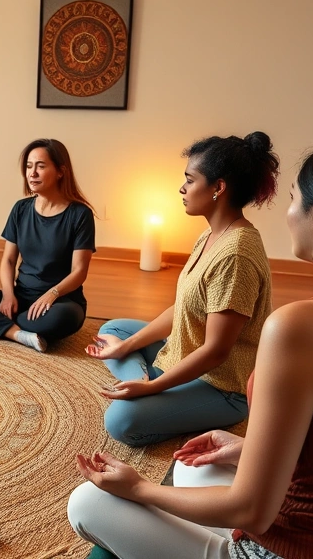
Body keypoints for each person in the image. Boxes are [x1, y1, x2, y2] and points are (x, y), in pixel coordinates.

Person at [67, 137, 313, 559]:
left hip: (284, 547)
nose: (286, 212)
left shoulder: (299, 326)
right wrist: (246, 448)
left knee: (89, 503)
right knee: (189, 464)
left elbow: (252, 511)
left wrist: (139, 488)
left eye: (293, 199)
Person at [83, 132, 278, 446]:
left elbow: (216, 351)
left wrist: (151, 391)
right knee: (115, 330)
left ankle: (146, 385)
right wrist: (126, 347)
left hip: (222, 386)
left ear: (218, 188)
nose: (182, 188)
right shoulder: (212, 235)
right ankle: (143, 378)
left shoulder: (236, 255)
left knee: (120, 422)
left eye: (190, 179)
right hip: (185, 352)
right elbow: (185, 306)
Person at [0, 139, 96, 352]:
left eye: (40, 166)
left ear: (61, 171)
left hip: (59, 302)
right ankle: (17, 333)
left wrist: (52, 294)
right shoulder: (21, 209)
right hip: (21, 297)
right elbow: (8, 260)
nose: (32, 173)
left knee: (64, 318)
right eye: (29, 166)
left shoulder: (80, 215)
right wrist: (8, 294)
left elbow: (79, 271)